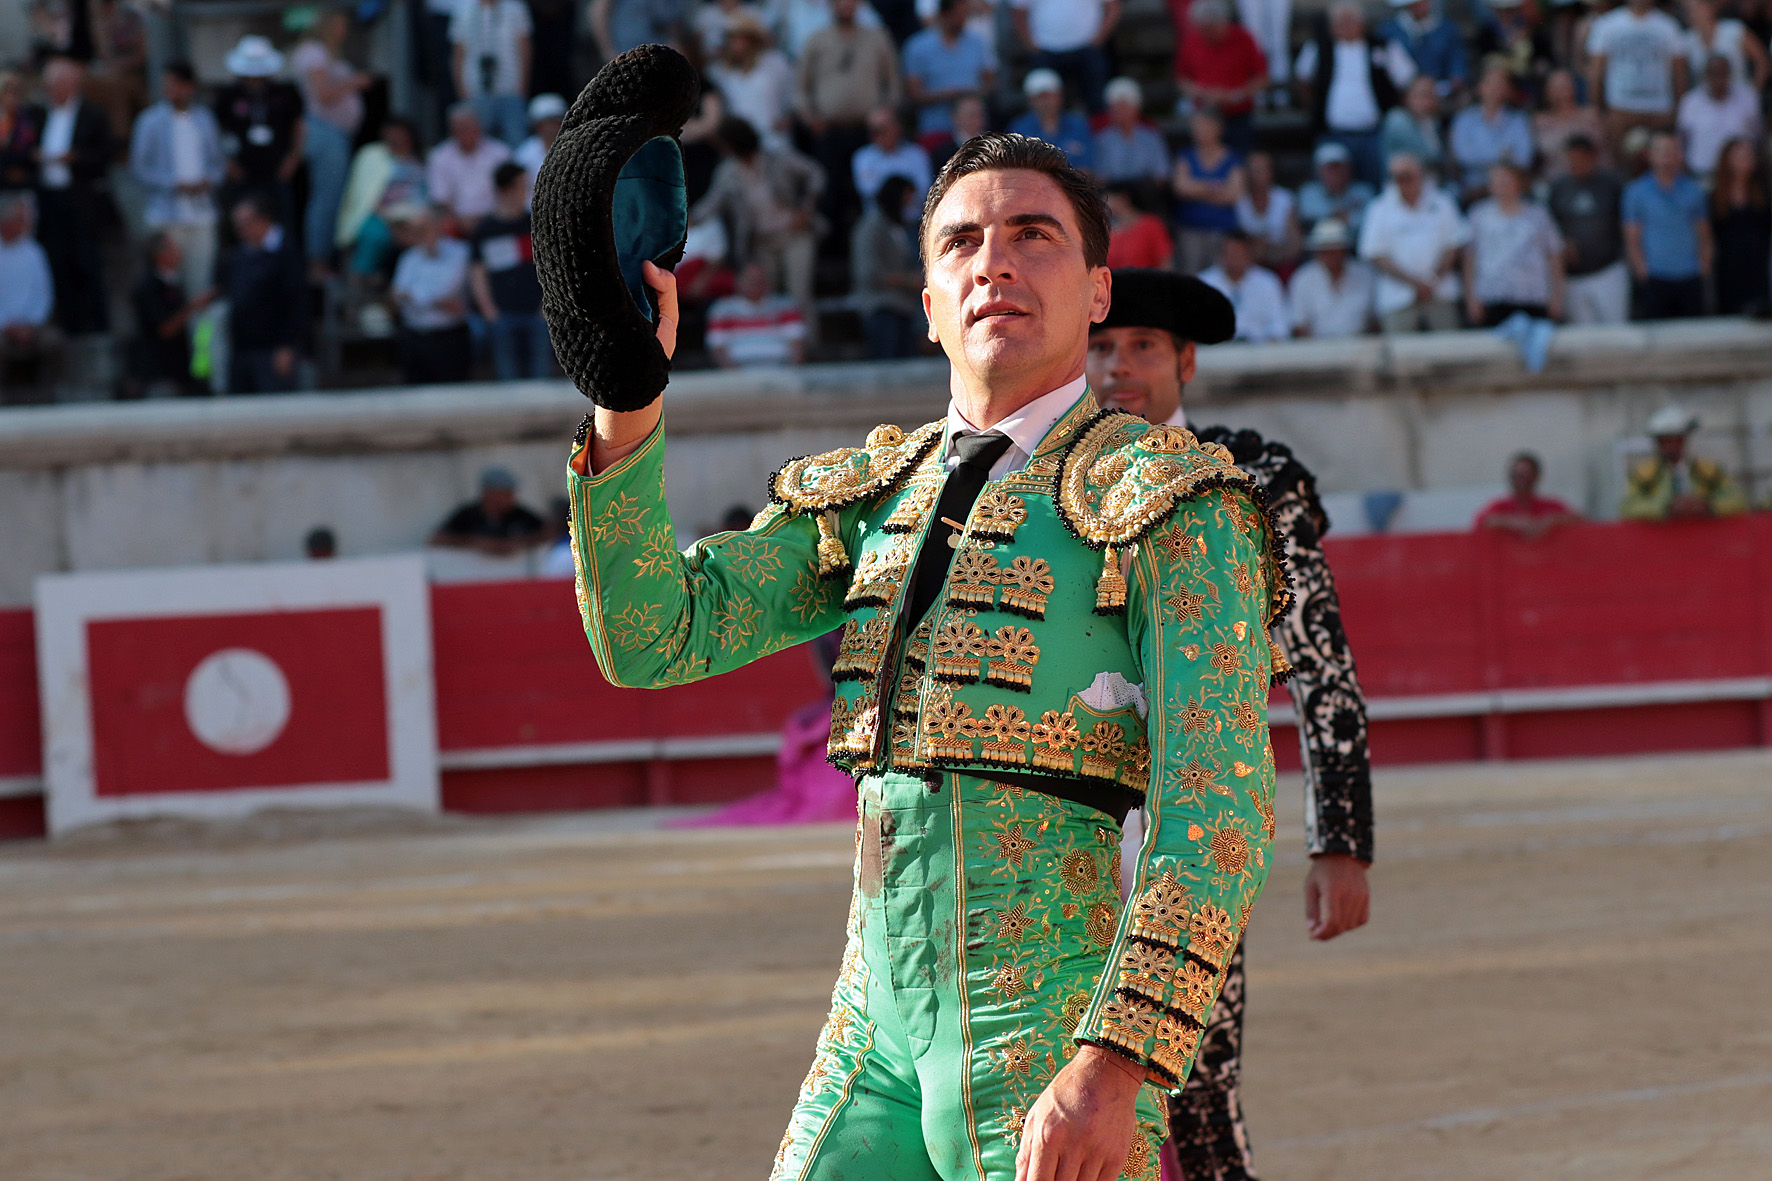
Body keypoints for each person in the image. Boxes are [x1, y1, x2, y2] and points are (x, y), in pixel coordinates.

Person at [559, 128, 1284, 1181]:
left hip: (1050, 1017)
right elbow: (651, 635)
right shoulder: (873, 495)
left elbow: (1216, 809)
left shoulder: (1170, 498)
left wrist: (1115, 1060)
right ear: (930, 301)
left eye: (1032, 236)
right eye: (961, 243)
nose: (993, 261)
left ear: (1094, 292)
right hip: (871, 1023)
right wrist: (625, 402)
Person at [1085, 266, 1374, 1181]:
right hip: (1057, 827)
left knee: (1201, 1094)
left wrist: (1342, 840)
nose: (1117, 367)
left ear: (1186, 362)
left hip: (1197, 828)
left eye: (1140, 347)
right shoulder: (1034, 473)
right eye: (1101, 346)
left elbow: (1321, 668)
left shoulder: (1251, 482)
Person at [690, 116, 823, 328]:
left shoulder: (777, 158)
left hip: (794, 236)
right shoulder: (728, 173)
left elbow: (816, 174)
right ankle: (778, 348)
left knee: (800, 293)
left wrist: (806, 209)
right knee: (766, 297)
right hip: (762, 243)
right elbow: (712, 204)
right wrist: (687, 221)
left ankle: (807, 351)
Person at [1294, 0, 1416, 186]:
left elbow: (1407, 80)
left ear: (1362, 23)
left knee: (1377, 183)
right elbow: (1303, 79)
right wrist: (1315, 106)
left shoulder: (1382, 46)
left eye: (1350, 21)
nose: (1345, 26)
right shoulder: (1318, 47)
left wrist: (1393, 107)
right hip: (1332, 132)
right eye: (1339, 22)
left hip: (1374, 134)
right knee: (1330, 187)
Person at [129, 61, 225, 297]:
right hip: (165, 216)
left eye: (175, 85)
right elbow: (139, 168)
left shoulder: (205, 120)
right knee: (167, 288)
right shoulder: (149, 121)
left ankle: (202, 336)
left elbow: (218, 164)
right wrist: (173, 184)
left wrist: (208, 181)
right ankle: (173, 334)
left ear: (189, 87)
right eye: (166, 85)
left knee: (201, 286)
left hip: (202, 215)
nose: (170, 91)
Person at [34, 55, 113, 337]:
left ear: (71, 85)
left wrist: (75, 158)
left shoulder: (93, 114)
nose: (51, 90)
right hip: (50, 201)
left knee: (87, 262)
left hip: (82, 201)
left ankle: (96, 326)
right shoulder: (39, 114)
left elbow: (105, 155)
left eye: (56, 85)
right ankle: (70, 324)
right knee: (58, 262)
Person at [1359, 150, 1470, 332]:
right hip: (1397, 298)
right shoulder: (1378, 208)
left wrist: (1431, 280)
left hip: (1440, 292)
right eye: (1396, 177)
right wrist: (1415, 284)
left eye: (1406, 176)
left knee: (1449, 352)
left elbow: (1454, 244)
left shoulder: (1443, 202)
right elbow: (1375, 253)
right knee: (1400, 356)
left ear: (1420, 175)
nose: (1401, 182)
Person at [292, 8, 369, 267]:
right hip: (324, 133)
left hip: (336, 135)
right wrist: (355, 83)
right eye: (339, 25)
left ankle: (329, 258)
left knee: (336, 199)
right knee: (326, 200)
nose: (344, 32)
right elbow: (323, 94)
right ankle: (318, 262)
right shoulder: (313, 52)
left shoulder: (327, 53)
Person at [471, 162, 551, 379]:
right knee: (507, 379)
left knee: (541, 376)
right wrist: (489, 311)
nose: (525, 192)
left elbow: (550, 267)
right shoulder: (485, 230)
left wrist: (546, 306)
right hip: (502, 313)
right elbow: (478, 273)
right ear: (504, 190)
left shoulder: (534, 224)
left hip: (537, 313)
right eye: (521, 187)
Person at [214, 36, 306, 226]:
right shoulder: (229, 95)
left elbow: (298, 126)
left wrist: (293, 158)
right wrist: (227, 162)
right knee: (244, 221)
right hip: (243, 172)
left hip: (277, 171)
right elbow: (217, 130)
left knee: (282, 221)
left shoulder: (284, 93)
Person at [225, 192, 307, 394]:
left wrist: (286, 346)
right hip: (241, 350)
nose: (240, 230)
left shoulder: (287, 253)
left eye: (245, 223)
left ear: (263, 220)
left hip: (273, 351)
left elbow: (297, 302)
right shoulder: (240, 254)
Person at [1464, 162, 1564, 326]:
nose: (1502, 185)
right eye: (1496, 180)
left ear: (1519, 183)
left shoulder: (1538, 215)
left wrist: (1557, 297)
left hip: (1533, 297)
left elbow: (1554, 256)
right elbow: (1469, 259)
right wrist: (1471, 299)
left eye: (1506, 180)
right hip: (1492, 297)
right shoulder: (1478, 215)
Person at [1623, 131, 1710, 319]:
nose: (1667, 157)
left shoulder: (1694, 190)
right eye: (1661, 151)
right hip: (1655, 275)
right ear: (1650, 155)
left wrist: (1703, 265)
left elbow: (1704, 233)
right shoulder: (1635, 192)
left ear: (1680, 155)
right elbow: (1632, 237)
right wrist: (1641, 270)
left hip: (1690, 274)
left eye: (1672, 151)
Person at [1586, 0, 1686, 154]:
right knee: (1619, 163)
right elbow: (1596, 72)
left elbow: (1679, 72)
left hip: (1658, 108)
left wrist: (1678, 108)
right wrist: (1598, 110)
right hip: (1620, 107)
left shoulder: (1668, 26)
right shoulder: (1607, 24)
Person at [1547, 134, 1629, 324]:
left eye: (1580, 158)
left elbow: (1626, 222)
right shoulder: (1558, 188)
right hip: (1575, 275)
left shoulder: (1612, 184)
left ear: (1592, 157)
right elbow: (1551, 227)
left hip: (1609, 270)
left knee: (1617, 331)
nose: (1575, 164)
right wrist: (1563, 243)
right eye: (1571, 159)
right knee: (1582, 339)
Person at [1174, 0, 1269, 156]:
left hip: (1238, 115)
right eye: (1204, 30)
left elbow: (1262, 78)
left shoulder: (1244, 38)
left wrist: (1236, 95)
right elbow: (1181, 79)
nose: (1208, 34)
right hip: (1205, 114)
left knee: (1241, 160)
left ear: (1224, 21)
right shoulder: (1192, 41)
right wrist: (1201, 93)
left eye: (1212, 28)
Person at [338, 116, 429, 278]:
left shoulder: (424, 157)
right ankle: (363, 279)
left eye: (400, 135)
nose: (396, 140)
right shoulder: (371, 155)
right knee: (376, 235)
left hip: (418, 214)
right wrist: (390, 219)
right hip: (382, 214)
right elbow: (363, 196)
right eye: (391, 136)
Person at [1619, 404, 1747, 519]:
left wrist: (1708, 505)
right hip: (1662, 540)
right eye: (1665, 441)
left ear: (1684, 440)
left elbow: (1738, 499)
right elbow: (1628, 507)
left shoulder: (1708, 470)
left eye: (1676, 440)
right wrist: (1666, 508)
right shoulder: (1645, 474)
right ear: (1657, 443)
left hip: (1704, 537)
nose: (1671, 447)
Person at [392, 205, 473, 384]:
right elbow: (398, 294)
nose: (423, 234)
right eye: (418, 230)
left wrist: (414, 297)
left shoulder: (459, 252)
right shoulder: (408, 258)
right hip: (415, 338)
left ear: (439, 226)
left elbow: (449, 288)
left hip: (449, 339)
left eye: (426, 227)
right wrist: (437, 302)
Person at [130, 231, 213, 398]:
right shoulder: (147, 287)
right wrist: (193, 307)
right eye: (174, 247)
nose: (179, 251)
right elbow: (165, 329)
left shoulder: (176, 282)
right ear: (161, 255)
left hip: (183, 372)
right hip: (160, 375)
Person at [849, 173, 924, 359]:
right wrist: (908, 280)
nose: (910, 203)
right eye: (907, 197)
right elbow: (868, 272)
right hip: (880, 307)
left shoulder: (899, 226)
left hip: (905, 308)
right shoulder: (871, 227)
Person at [902, 0, 994, 139]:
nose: (963, 20)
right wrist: (948, 94)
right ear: (945, 15)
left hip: (973, 131)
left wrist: (970, 93)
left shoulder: (977, 43)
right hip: (935, 129)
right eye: (959, 15)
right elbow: (913, 93)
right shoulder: (918, 46)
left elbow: (990, 83)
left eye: (966, 15)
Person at [707, 11, 796, 153]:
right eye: (730, 38)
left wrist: (788, 118)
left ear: (751, 39)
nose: (733, 44)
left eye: (738, 38)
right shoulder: (719, 72)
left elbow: (792, 96)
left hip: (775, 144)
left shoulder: (775, 62)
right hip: (740, 148)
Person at [1171, 107, 1245, 275]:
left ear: (1218, 128)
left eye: (1204, 125)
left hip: (1222, 231)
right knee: (1190, 276)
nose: (1199, 131)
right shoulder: (1186, 155)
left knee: (1220, 276)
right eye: (1197, 126)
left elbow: (1235, 194)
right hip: (1190, 229)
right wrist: (1214, 187)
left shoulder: (1232, 157)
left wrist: (1196, 189)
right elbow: (1180, 187)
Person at [1009, 0, 1119, 112]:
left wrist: (1098, 40)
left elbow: (1113, 6)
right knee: (1044, 102)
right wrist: (1031, 45)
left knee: (1097, 100)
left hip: (1088, 48)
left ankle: (1099, 129)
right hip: (1045, 50)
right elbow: (1018, 12)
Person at [1448, 61, 1535, 201]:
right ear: (1480, 87)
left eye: (1501, 84)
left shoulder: (1519, 120)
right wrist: (1503, 155)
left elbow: (1524, 158)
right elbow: (1463, 156)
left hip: (1512, 188)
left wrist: (1484, 157)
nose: (1496, 88)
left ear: (1508, 89)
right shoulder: (1464, 119)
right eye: (1491, 83)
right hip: (1474, 187)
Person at [451, 0, 532, 148]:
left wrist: (522, 87)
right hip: (474, 87)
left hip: (510, 86)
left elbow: (524, 48)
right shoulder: (463, 10)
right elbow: (458, 53)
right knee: (479, 143)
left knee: (516, 139)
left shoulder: (515, 8)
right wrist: (461, 90)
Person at [0, 192, 57, 401]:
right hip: (3, 326)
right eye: (20, 219)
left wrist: (30, 325)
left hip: (31, 325)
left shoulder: (34, 252)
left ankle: (48, 395)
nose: (25, 224)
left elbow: (44, 294)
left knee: (54, 342)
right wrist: (6, 325)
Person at [1707, 137, 1771, 315]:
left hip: (1758, 264)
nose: (1746, 160)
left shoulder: (1764, 191)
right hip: (1728, 265)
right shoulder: (1715, 195)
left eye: (1749, 155)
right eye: (1740, 156)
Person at [705, 259, 807, 366]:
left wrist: (792, 372)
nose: (756, 285)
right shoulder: (722, 309)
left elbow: (797, 343)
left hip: (781, 371)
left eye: (761, 280)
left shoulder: (786, 306)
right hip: (738, 374)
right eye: (752, 280)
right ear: (739, 281)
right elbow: (717, 347)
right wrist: (733, 375)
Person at [1675, 54, 1760, 179]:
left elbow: (1757, 136)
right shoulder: (1690, 101)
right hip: (1699, 175)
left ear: (1730, 74)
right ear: (1705, 75)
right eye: (1714, 73)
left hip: (1737, 178)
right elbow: (1681, 140)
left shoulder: (1748, 99)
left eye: (1722, 72)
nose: (1718, 78)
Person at [427, 103, 513, 227]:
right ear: (451, 130)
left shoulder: (501, 153)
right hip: (457, 222)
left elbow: (509, 191)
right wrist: (462, 222)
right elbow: (441, 199)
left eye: (469, 127)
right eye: (460, 128)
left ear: (479, 127)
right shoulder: (439, 157)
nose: (465, 132)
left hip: (497, 218)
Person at [1288, 217, 1376, 336]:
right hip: (1316, 349)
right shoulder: (1302, 279)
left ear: (1344, 250)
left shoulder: (1365, 275)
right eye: (1325, 250)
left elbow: (1375, 321)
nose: (1330, 255)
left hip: (1360, 347)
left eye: (1335, 249)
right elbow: (1299, 324)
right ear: (1317, 252)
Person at [432, 465, 547, 554]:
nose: (511, 499)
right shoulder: (468, 515)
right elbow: (437, 539)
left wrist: (520, 543)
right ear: (488, 493)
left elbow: (549, 531)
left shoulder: (520, 515)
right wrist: (479, 543)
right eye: (504, 494)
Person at [1200, 230, 1290, 342]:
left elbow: (1279, 325)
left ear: (1250, 255)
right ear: (1221, 255)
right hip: (1219, 351)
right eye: (1231, 253)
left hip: (1260, 352)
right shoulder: (1205, 283)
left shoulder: (1267, 282)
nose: (1236, 258)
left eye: (1240, 253)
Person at [1475, 451, 1579, 539]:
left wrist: (1550, 522)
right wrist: (1511, 523)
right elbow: (1481, 522)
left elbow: (1579, 519)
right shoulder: (1499, 506)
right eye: (1516, 475)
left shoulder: (1550, 506)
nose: (1520, 480)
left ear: (1535, 476)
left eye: (1525, 475)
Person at [1007, 67, 1094, 171]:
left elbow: (1088, 168)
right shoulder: (1019, 128)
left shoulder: (1078, 125)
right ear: (1030, 100)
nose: (1046, 102)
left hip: (1072, 186)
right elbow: (1015, 168)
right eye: (1040, 97)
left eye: (1049, 96)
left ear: (1060, 96)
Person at [1381, 0, 1468, 100]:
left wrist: (1454, 81)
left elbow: (1457, 62)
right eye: (1415, 4)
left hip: (1445, 91)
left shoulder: (1447, 28)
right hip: (1408, 95)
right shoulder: (1389, 32)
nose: (1421, 6)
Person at [1092, 78, 1169, 189]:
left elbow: (1162, 175)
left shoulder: (1151, 137)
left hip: (1146, 194)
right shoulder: (1102, 139)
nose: (1119, 111)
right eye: (1114, 106)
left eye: (1123, 106)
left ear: (1136, 108)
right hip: (1113, 194)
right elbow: (1099, 177)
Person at [851, 107, 930, 214]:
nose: (876, 136)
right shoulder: (862, 157)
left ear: (897, 128)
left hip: (915, 221)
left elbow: (924, 189)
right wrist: (904, 193)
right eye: (873, 131)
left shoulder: (916, 154)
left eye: (881, 130)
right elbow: (868, 191)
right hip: (880, 224)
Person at [1533, 67, 1605, 179]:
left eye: (1566, 84)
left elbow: (1602, 152)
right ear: (1548, 90)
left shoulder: (1591, 116)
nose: (1563, 89)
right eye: (1558, 86)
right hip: (1552, 181)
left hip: (1589, 180)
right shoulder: (1540, 121)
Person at [1681, 0, 1768, 92]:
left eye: (1697, 9)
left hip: (1739, 96)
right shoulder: (1687, 40)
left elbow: (1762, 62)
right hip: (1705, 103)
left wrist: (1752, 93)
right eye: (1689, 10)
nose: (1693, 13)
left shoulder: (1734, 30)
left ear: (1709, 9)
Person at [1236, 150, 1301, 273]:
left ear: (1270, 172)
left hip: (1281, 261)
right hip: (1250, 264)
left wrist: (1274, 253)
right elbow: (1238, 242)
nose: (1255, 175)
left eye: (1260, 170)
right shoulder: (1240, 202)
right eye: (1252, 170)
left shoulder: (1285, 199)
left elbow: (1295, 243)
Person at [1296, 140, 1376, 238]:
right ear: (1318, 170)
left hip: (1356, 246)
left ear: (1349, 168)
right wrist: (1343, 217)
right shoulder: (1308, 192)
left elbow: (1372, 221)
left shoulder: (1364, 191)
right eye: (1330, 169)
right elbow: (1306, 218)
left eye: (1339, 167)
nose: (1335, 173)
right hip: (1320, 249)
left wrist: (1332, 217)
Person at [1381, 74, 1447, 180]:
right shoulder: (1396, 119)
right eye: (1423, 94)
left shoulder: (1432, 122)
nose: (1428, 100)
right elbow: (1430, 156)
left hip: (1430, 186)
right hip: (1400, 187)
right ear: (1407, 97)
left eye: (1432, 95)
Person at [1104, 182, 1173, 268]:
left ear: (1123, 198)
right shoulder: (1106, 230)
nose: (1105, 204)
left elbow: (1165, 261)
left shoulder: (1151, 225)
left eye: (1109, 198)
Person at [0, 71, 41, 192]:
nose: (12, 96)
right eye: (8, 90)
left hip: (22, 184)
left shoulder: (29, 119)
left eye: (17, 91)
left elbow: (32, 151)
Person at [515, 93, 564, 188]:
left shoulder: (573, 146)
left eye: (555, 121)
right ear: (537, 126)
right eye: (547, 123)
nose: (552, 127)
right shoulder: (525, 153)